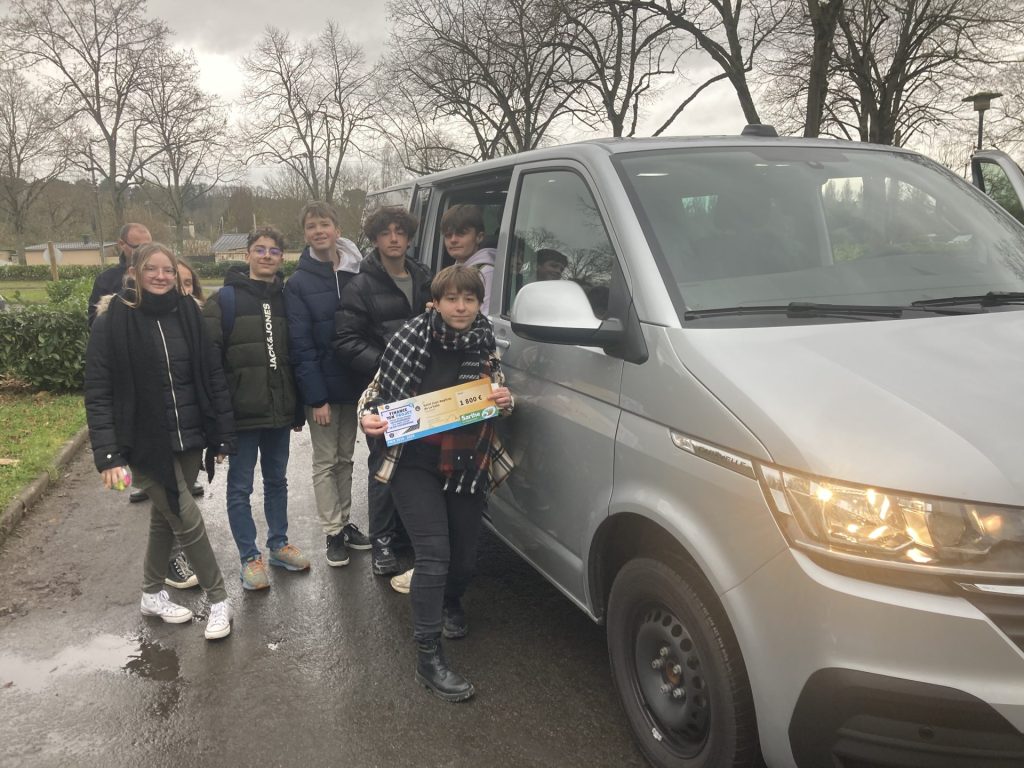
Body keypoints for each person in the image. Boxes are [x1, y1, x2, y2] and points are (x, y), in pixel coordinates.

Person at [358, 264, 514, 702]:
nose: (461, 307)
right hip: (413, 461)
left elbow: (496, 392)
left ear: (479, 303)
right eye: (452, 299)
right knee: (433, 554)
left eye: (470, 299)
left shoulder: (484, 339)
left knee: (463, 558)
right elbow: (374, 393)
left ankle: (451, 602)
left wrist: (505, 398)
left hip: (465, 459)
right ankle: (428, 655)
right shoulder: (410, 337)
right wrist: (368, 416)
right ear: (436, 302)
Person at [84, 242, 236, 640]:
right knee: (185, 516)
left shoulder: (188, 313)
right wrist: (109, 455)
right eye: (151, 268)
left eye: (168, 269)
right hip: (142, 441)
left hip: (189, 435)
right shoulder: (111, 321)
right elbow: (98, 391)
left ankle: (151, 594)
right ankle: (219, 598)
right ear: (133, 271)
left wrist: (222, 433)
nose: (160, 276)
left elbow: (212, 375)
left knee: (164, 517)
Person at [203, 227, 309, 590]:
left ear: (282, 257)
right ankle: (249, 558)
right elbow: (210, 363)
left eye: (274, 251)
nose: (267, 256)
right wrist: (219, 417)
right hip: (241, 415)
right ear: (247, 254)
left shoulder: (288, 298)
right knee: (240, 488)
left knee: (277, 481)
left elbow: (297, 354)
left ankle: (279, 545)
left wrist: (297, 409)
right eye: (260, 249)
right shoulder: (224, 301)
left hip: (279, 412)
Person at [334, 206, 432, 577]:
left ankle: (408, 537)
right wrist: (388, 364)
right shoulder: (360, 285)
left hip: (425, 390)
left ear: (408, 237)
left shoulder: (425, 278)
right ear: (375, 238)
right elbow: (345, 340)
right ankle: (383, 543)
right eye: (386, 232)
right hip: (386, 392)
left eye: (400, 232)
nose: (394, 238)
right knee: (385, 468)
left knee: (418, 466)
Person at [285, 202, 370, 567]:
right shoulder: (298, 283)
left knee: (346, 458)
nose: (319, 231)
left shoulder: (357, 273)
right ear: (305, 234)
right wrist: (316, 397)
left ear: (337, 229)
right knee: (325, 461)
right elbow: (300, 345)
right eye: (311, 226)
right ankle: (332, 531)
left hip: (353, 385)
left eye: (324, 224)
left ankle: (346, 522)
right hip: (321, 390)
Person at [440, 204, 497, 314]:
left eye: (461, 234)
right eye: (448, 235)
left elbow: (486, 317)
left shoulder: (486, 272)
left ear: (479, 237)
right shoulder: (453, 271)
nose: (453, 240)